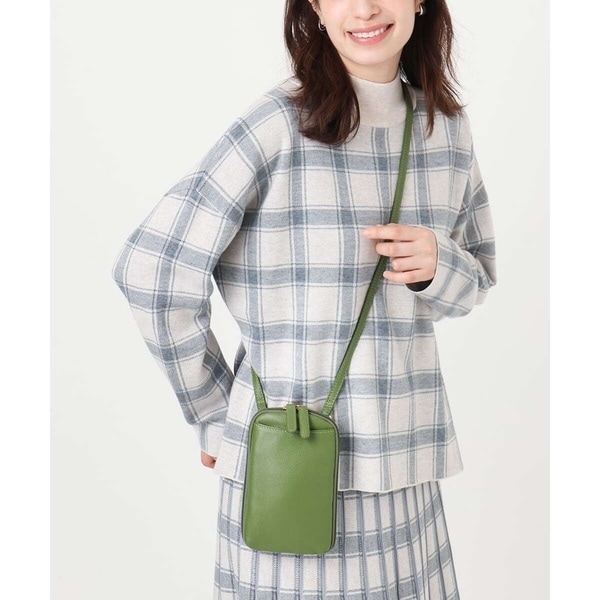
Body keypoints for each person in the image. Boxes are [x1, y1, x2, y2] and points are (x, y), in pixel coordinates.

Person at [111, 0, 497, 597]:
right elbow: (151, 270)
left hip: (406, 470)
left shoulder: (444, 129)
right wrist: (214, 413)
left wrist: (437, 265)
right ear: (314, 7)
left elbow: (476, 280)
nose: (364, 9)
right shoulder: (276, 125)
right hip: (290, 468)